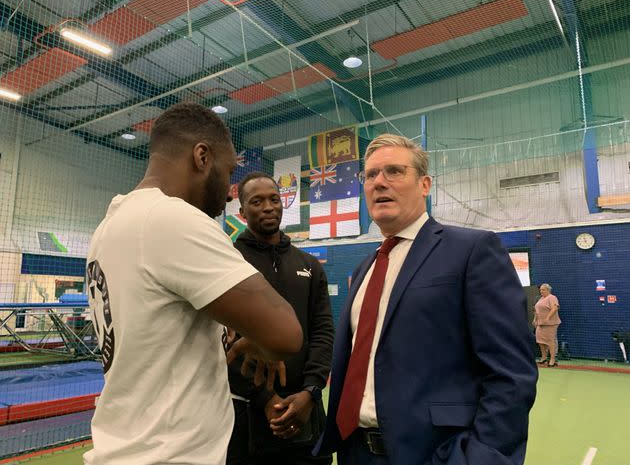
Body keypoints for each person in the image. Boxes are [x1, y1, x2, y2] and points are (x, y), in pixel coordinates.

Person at [84, 103, 303, 465]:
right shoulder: (171, 218)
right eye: (229, 170)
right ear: (202, 157)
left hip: (127, 445)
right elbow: (287, 334)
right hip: (168, 454)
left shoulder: (109, 226)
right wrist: (263, 340)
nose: (231, 192)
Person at [314, 134, 538, 465]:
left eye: (394, 171)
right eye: (371, 175)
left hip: (435, 454)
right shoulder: (366, 268)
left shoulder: (472, 251)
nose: (379, 182)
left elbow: (511, 374)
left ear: (424, 184)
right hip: (354, 451)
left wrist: (480, 457)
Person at [225, 172, 334, 465]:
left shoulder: (309, 265)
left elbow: (322, 331)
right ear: (242, 211)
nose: (268, 207)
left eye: (274, 199)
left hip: (307, 409)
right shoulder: (229, 259)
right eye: (257, 201)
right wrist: (264, 398)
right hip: (247, 413)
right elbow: (223, 339)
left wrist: (311, 393)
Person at [533, 283, 561, 367]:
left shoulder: (552, 297)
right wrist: (535, 319)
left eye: (543, 289)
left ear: (548, 290)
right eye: (540, 289)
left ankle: (552, 359)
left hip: (550, 324)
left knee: (550, 341)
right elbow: (536, 310)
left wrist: (548, 317)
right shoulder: (541, 298)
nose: (541, 291)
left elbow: (555, 308)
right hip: (540, 324)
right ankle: (544, 358)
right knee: (540, 341)